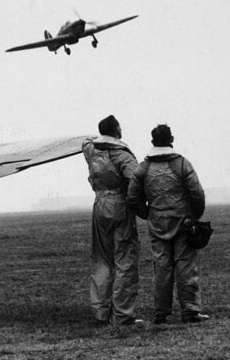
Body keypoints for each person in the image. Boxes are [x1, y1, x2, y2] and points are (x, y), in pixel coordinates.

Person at [128, 124, 210, 324]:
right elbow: (197, 194)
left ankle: (161, 313)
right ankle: (190, 310)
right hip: (183, 222)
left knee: (161, 268)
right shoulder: (182, 164)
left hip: (157, 224)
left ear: (152, 142)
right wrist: (194, 216)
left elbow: (132, 197)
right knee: (185, 266)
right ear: (171, 139)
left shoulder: (143, 168)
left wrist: (148, 213)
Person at [83, 115, 143, 327]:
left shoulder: (91, 150)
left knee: (101, 259)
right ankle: (122, 314)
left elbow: (86, 141)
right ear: (117, 131)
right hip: (119, 204)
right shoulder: (121, 154)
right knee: (125, 259)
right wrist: (137, 204)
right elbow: (136, 179)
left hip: (99, 205)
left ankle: (101, 311)